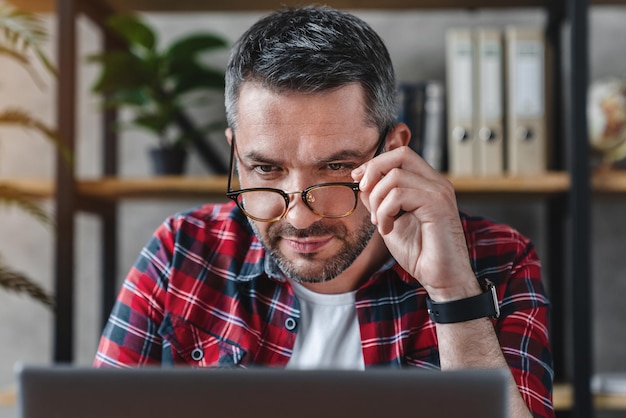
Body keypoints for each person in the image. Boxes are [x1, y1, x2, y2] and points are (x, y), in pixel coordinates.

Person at [94, 6, 554, 418]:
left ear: (392, 151)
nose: (297, 217)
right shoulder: (181, 253)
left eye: (335, 166)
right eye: (266, 169)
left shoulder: (498, 259)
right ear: (236, 156)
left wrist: (453, 291)